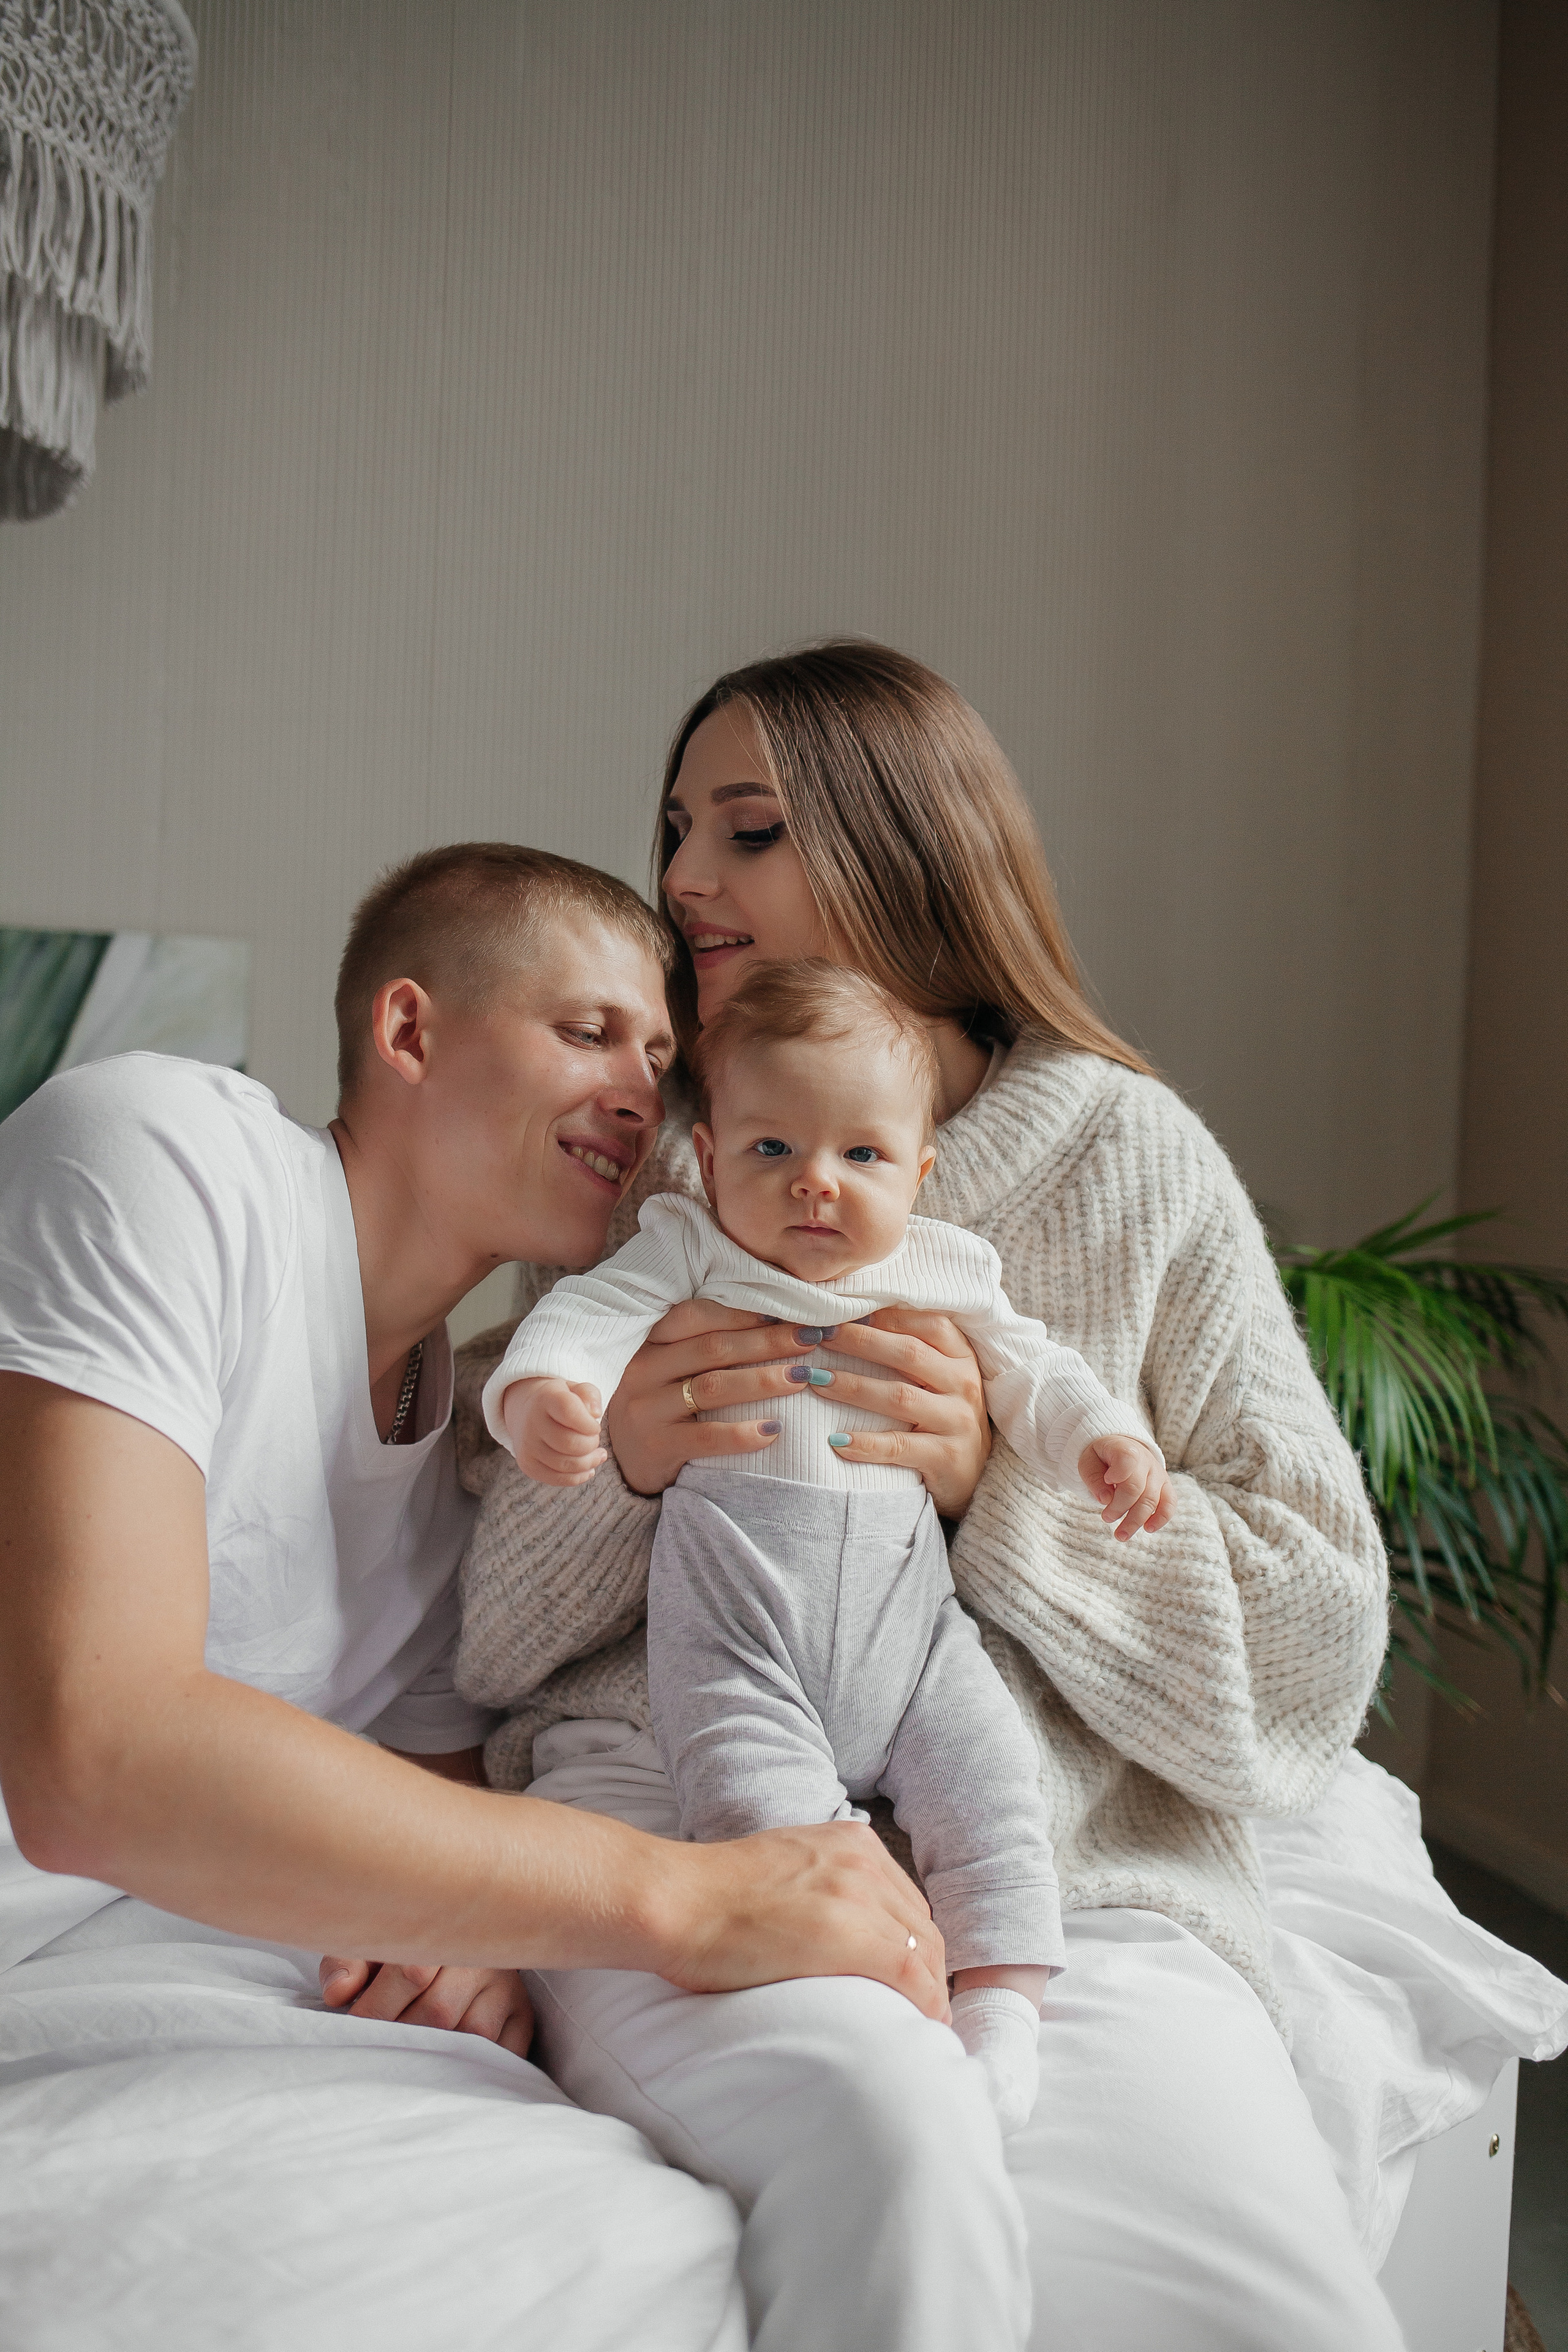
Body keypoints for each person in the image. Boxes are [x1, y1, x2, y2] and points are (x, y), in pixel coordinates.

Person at [453, 644, 1408, 2352]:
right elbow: (495, 1645)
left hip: (1062, 1871)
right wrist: (629, 1468)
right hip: (674, 1805)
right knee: (891, 2167)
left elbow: (1315, 1647)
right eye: (675, 831)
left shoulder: (1129, 1159)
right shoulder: (666, 1163)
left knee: (1271, 2312)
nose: (682, 879)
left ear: (907, 846)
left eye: (747, 829)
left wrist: (996, 1492)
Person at [0, 843, 948, 2351]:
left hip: (146, 1970)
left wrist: (464, 1945)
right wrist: (691, 1900)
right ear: (408, 1031)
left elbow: (432, 1810)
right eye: (587, 1033)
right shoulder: (160, 1151)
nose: (640, 1095)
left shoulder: (470, 1462)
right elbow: (94, 1756)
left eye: (660, 1060)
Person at [491, 956, 1174, 2134]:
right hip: (740, 1639)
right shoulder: (689, 1246)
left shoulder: (943, 1268)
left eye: (861, 1154)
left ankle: (1002, 2004)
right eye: (772, 1149)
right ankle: (876, 1995)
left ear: (920, 1171)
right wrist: (541, 1395)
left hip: (915, 1644)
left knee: (995, 1786)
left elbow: (1035, 1369)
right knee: (756, 1815)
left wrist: (1104, 1438)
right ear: (711, 1160)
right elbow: (585, 1317)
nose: (815, 1183)